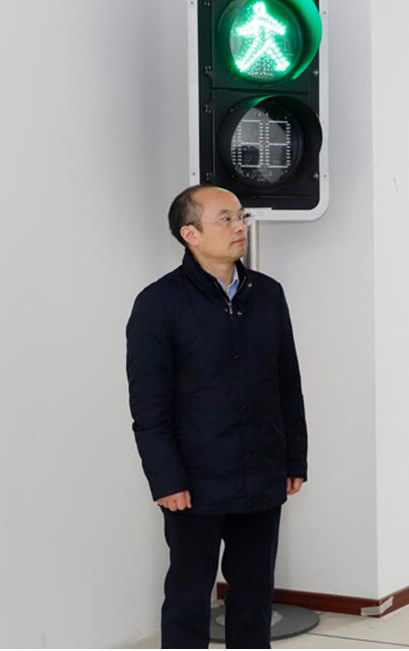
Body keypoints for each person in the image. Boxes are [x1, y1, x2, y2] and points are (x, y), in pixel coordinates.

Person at [126, 184, 308, 648]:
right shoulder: (158, 303)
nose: (239, 226)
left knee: (254, 598)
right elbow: (148, 405)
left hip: (261, 473)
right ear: (190, 233)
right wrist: (166, 479)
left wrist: (294, 459)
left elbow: (287, 383)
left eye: (240, 216)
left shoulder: (268, 294)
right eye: (225, 219)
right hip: (193, 483)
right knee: (188, 599)